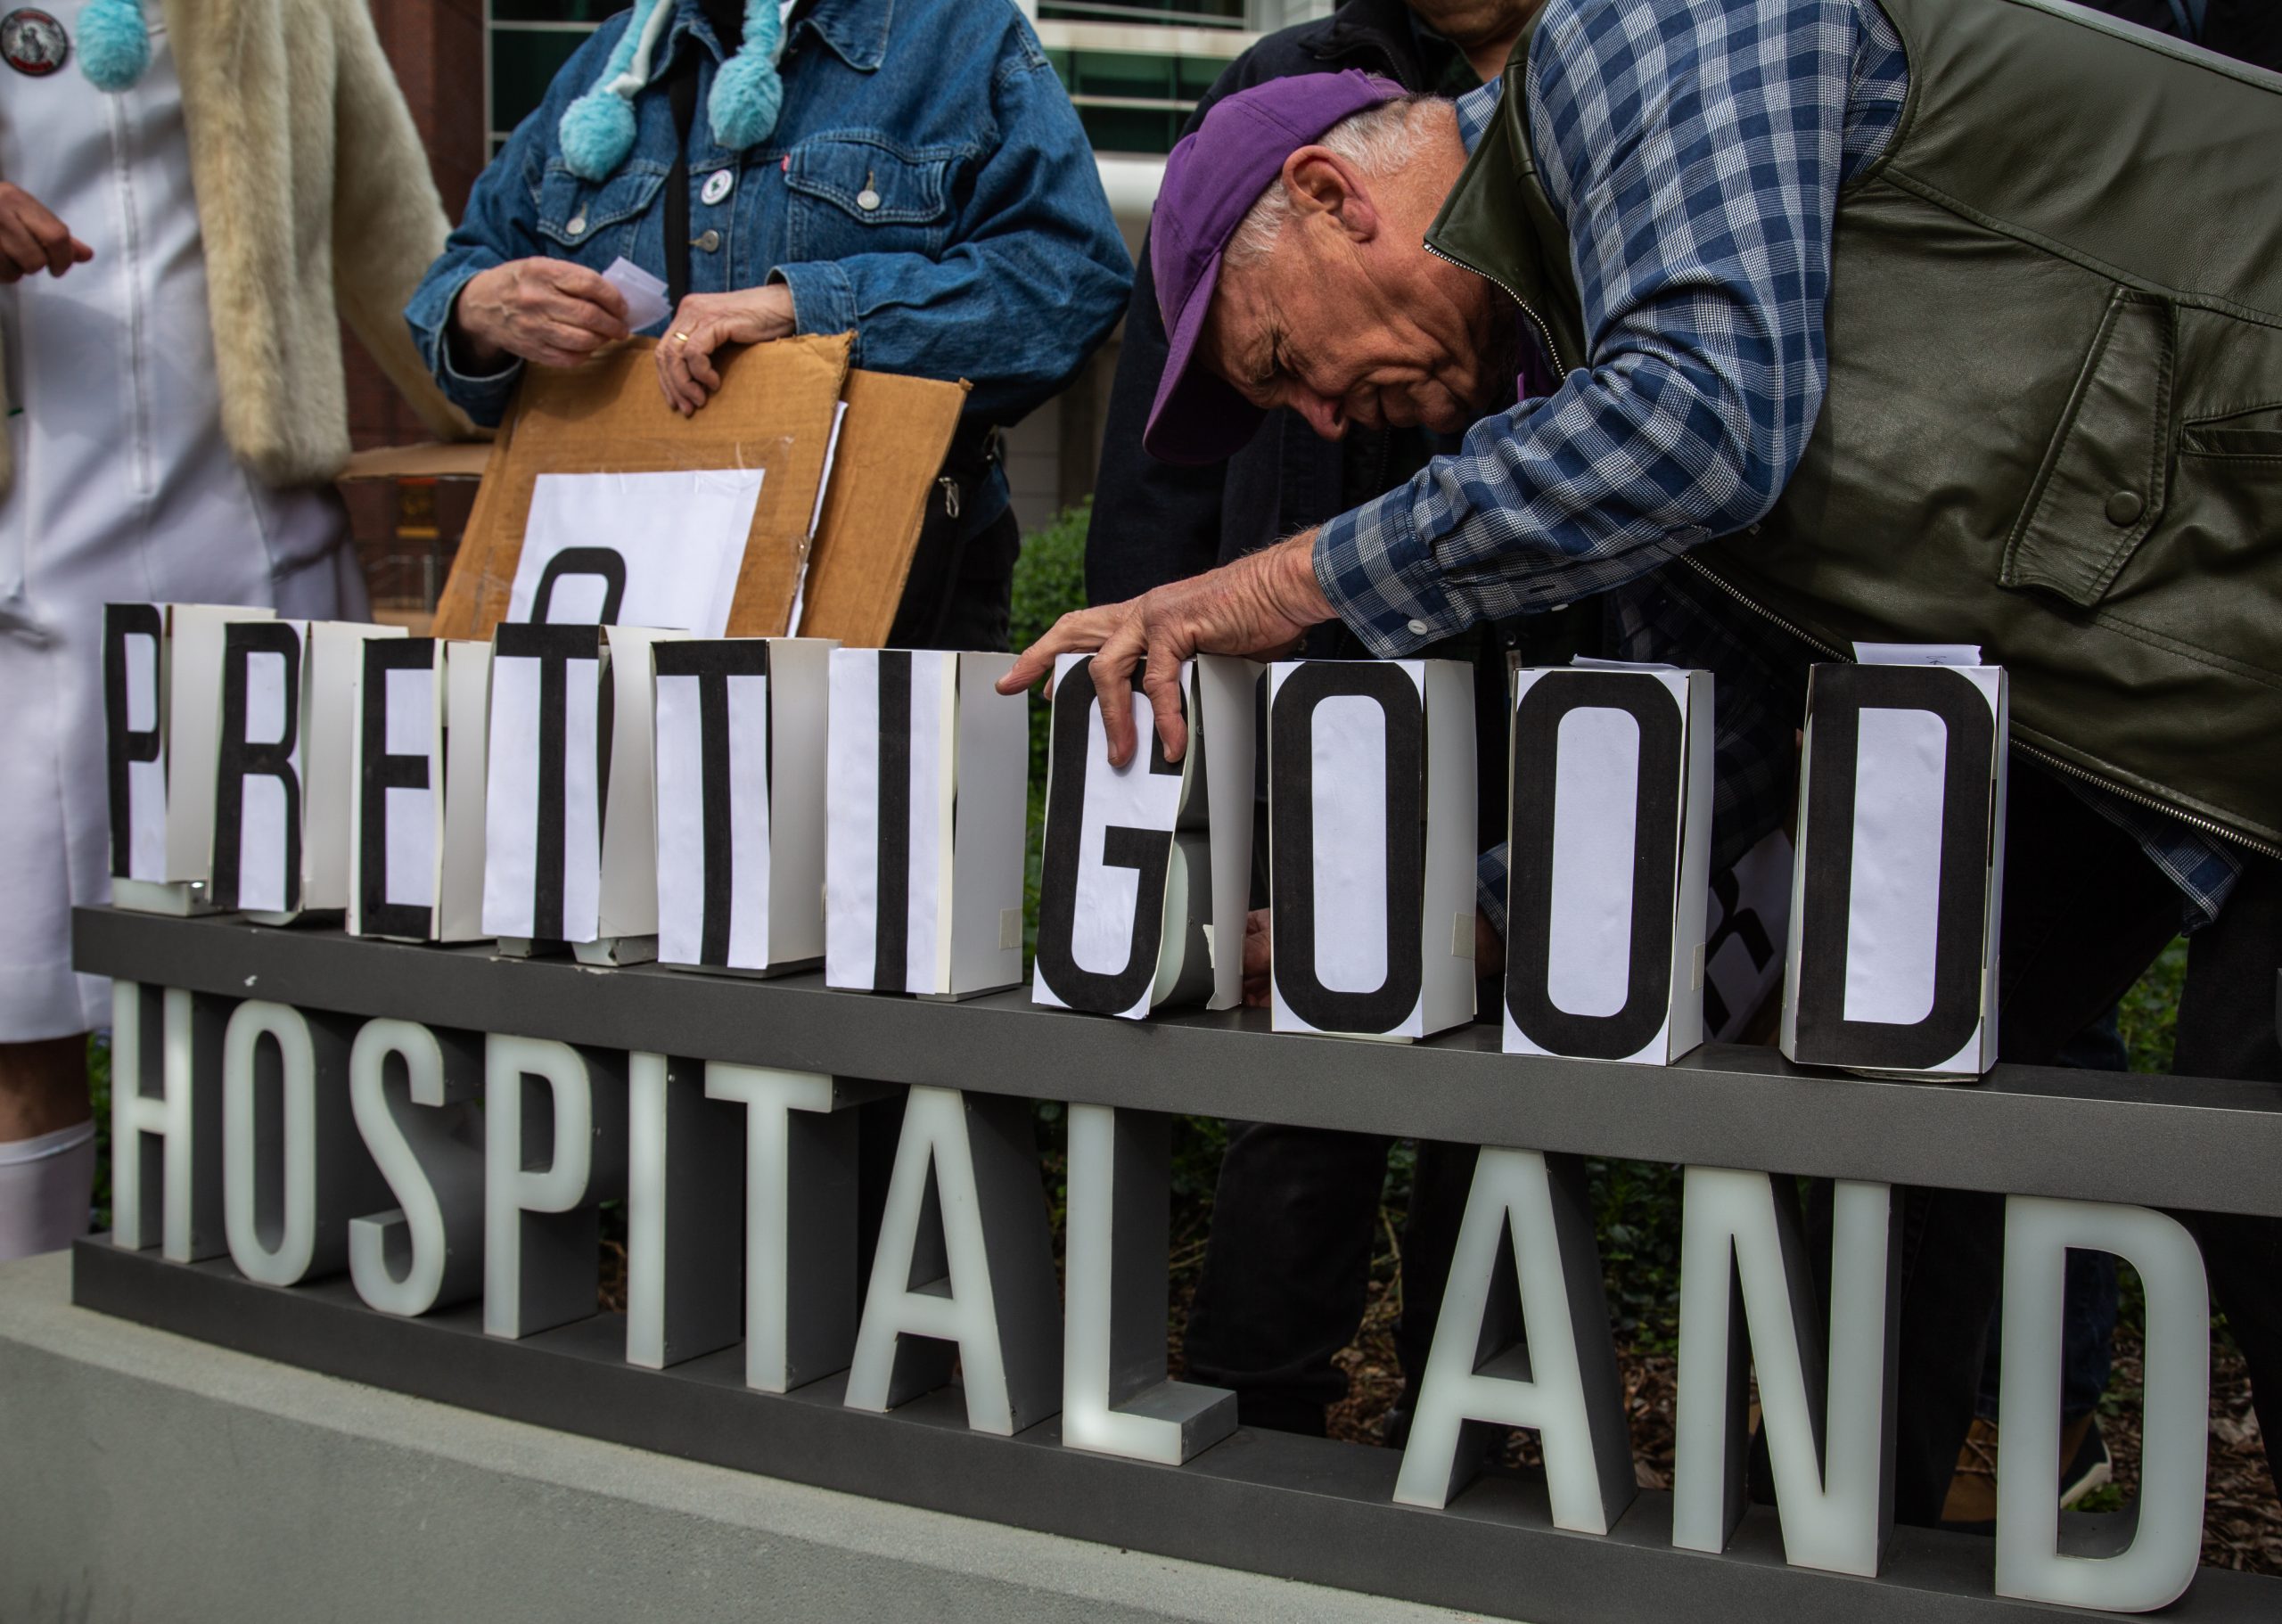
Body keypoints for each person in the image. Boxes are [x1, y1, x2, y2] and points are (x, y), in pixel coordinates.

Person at [1004, 0, 2282, 1517]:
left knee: (2251, 1103)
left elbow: (1703, 418)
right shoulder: (1582, 358)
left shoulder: (1647, 33)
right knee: (1904, 1076)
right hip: (2159, 696)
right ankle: (1822, 1557)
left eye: (1288, 360)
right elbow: (1722, 711)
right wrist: (1472, 923)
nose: (1325, 414)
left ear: (1333, 198)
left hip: (2224, 593)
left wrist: (1266, 585)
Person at [1087, 0, 1544, 1443]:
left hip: (1544, 674)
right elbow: (1155, 492)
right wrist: (1161, 762)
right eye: (1290, 379)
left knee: (1534, 1053)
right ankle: (1256, 1406)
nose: (1334, 406)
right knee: (1311, 1057)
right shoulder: (1276, 99)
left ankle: (1482, 1426)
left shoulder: (1600, 86)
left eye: (1298, 364)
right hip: (1320, 682)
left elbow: (1665, 451)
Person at [0, 0, 466, 1261]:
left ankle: (235, 1370)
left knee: (269, 1004)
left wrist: (538, 411)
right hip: (23, 561)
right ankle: (27, 1384)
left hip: (260, 553)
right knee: (14, 1015)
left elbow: (395, 239)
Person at [405, 0, 1130, 655]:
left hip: (889, 608)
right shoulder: (604, 66)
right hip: (619, 596)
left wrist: (808, 310)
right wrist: (481, 311)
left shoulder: (959, 33)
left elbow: (1070, 278)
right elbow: (450, 289)